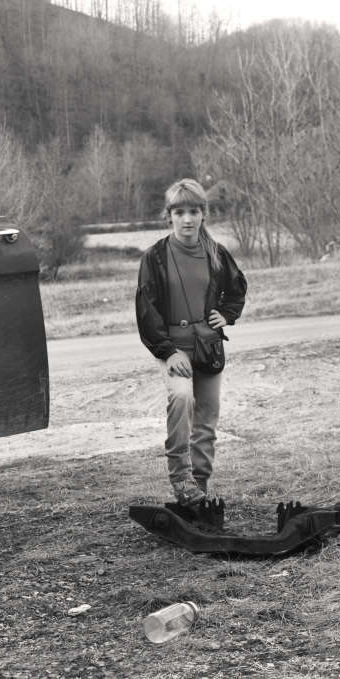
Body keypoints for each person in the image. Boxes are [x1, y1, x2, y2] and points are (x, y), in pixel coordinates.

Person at [135, 178, 247, 516]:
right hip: (172, 347)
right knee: (182, 397)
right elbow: (147, 310)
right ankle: (181, 479)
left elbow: (237, 288)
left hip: (208, 347)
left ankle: (198, 487)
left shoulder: (216, 252)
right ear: (168, 215)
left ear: (203, 214)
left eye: (194, 211)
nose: (187, 219)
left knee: (208, 419)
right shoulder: (155, 257)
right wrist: (169, 353)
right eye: (180, 212)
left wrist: (226, 315)